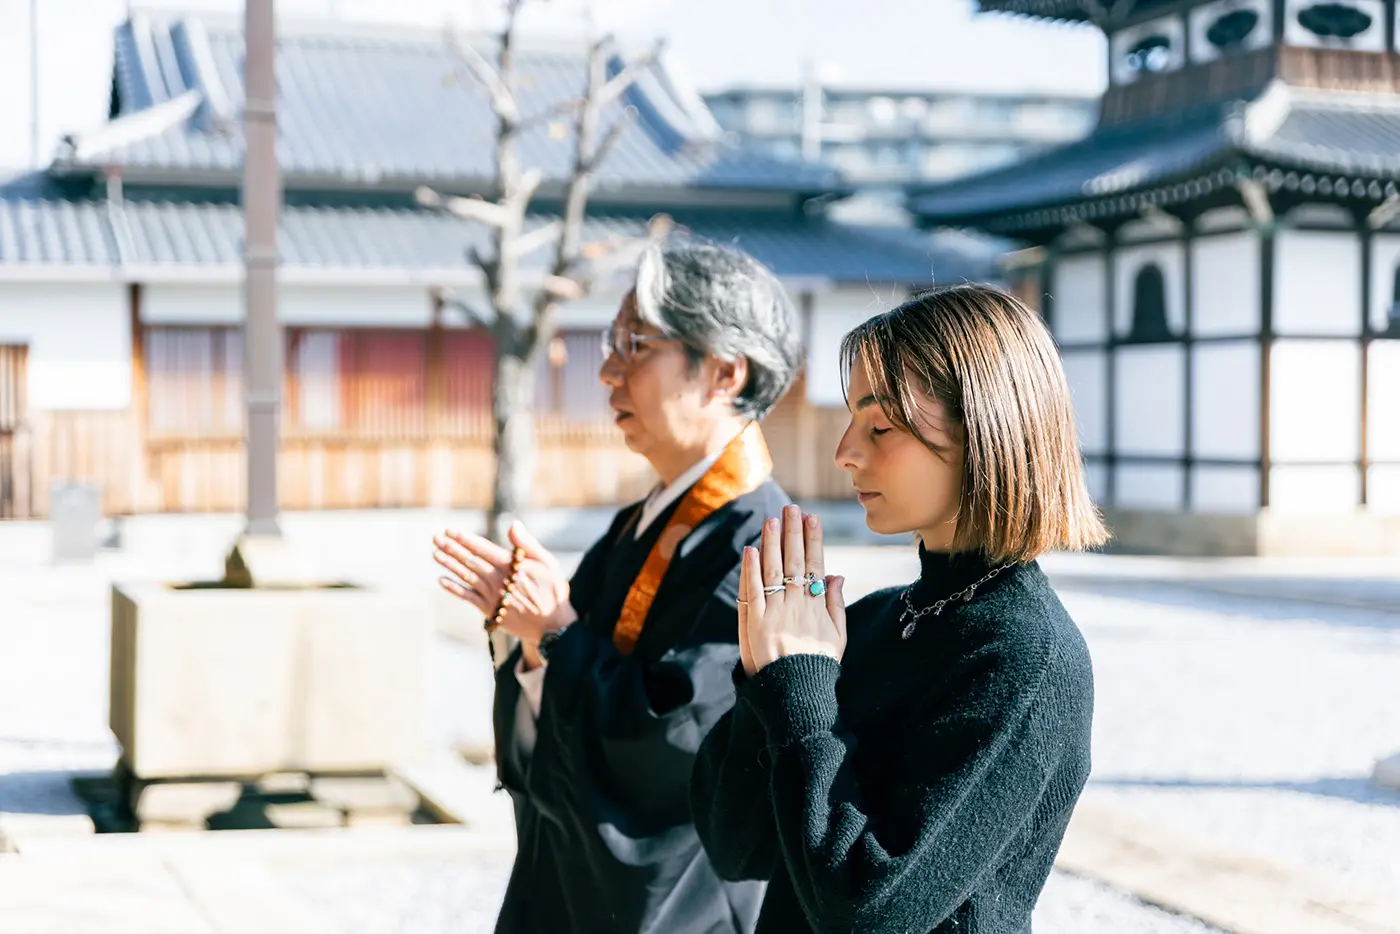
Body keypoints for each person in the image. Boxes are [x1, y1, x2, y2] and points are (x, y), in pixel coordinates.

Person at [690, 283, 1110, 934]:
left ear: (986, 426)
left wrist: (801, 698)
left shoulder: (1025, 656)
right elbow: (736, 846)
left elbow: (872, 909)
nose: (845, 452)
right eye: (851, 422)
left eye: (879, 425)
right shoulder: (874, 620)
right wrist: (770, 673)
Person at [432, 236, 802, 934]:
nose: (608, 370)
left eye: (636, 343)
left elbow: (683, 750)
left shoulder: (766, 546)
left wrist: (555, 634)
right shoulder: (645, 520)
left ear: (724, 371)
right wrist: (530, 640)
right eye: (613, 340)